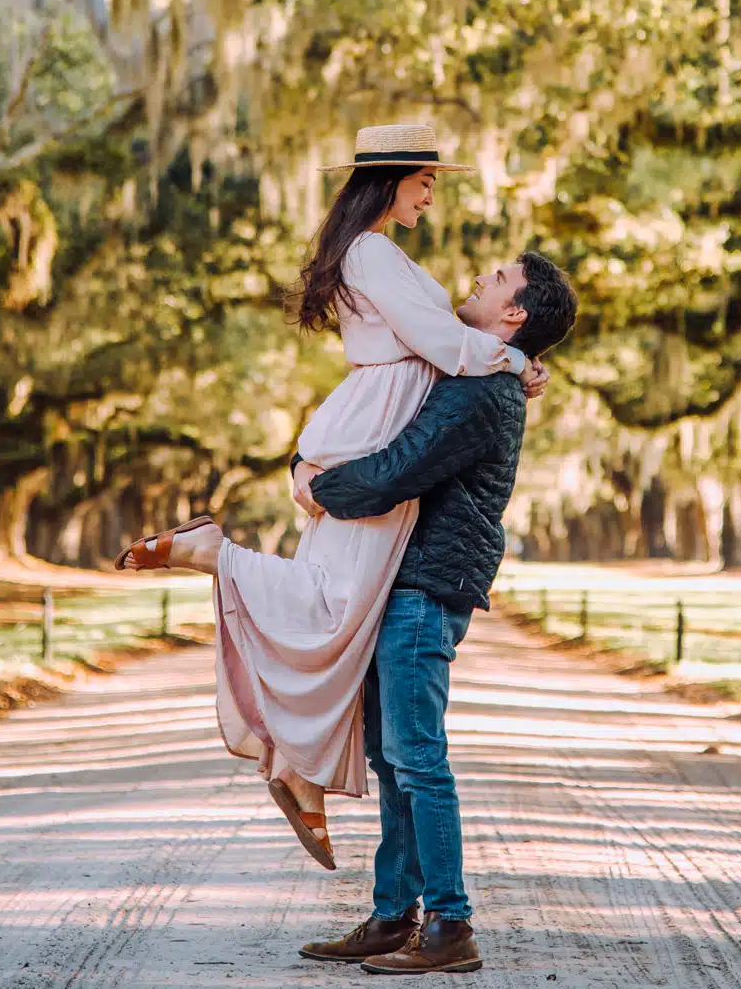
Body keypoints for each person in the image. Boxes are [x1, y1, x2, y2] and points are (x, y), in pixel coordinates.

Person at [116, 122, 548, 866]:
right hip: (377, 419)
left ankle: (300, 768)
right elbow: (439, 342)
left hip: (380, 414)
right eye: (426, 181)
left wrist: (508, 357)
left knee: (341, 601)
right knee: (338, 603)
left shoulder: (381, 251)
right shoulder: (372, 251)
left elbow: (439, 338)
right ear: (392, 177)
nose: (433, 195)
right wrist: (510, 357)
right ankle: (216, 561)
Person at [294, 249, 577, 976]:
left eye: (500, 277)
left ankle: (450, 925)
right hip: (408, 580)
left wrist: (314, 484)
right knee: (394, 758)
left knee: (418, 759)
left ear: (514, 313)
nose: (482, 275)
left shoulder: (478, 395)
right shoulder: (483, 373)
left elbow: (397, 470)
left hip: (426, 585)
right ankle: (395, 914)